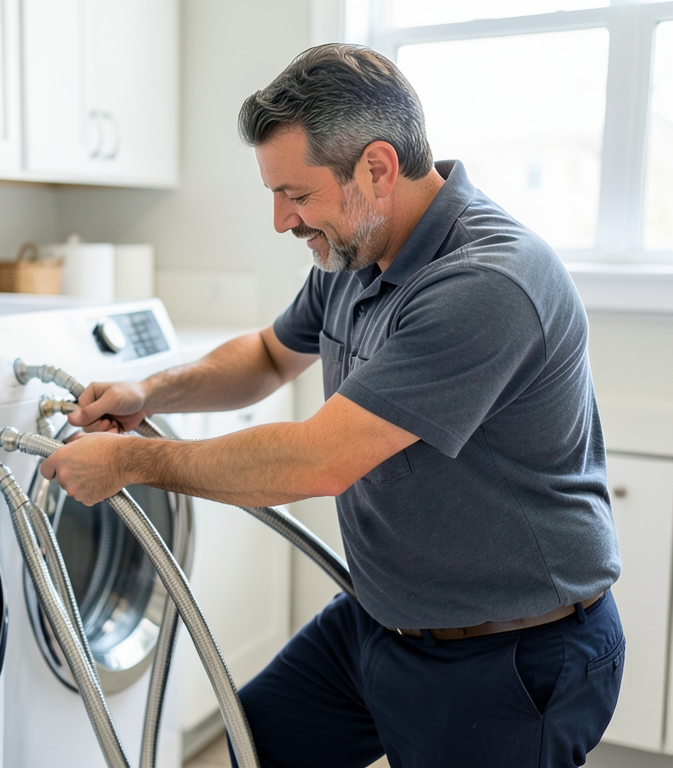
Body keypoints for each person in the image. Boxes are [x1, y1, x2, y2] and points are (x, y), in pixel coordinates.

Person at [40, 43, 623, 768]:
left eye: (296, 193)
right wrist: (148, 391)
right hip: (385, 623)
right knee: (257, 741)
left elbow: (320, 462)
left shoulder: (485, 283)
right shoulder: (355, 252)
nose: (282, 220)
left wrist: (130, 461)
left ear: (376, 168)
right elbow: (265, 355)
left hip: (509, 654)